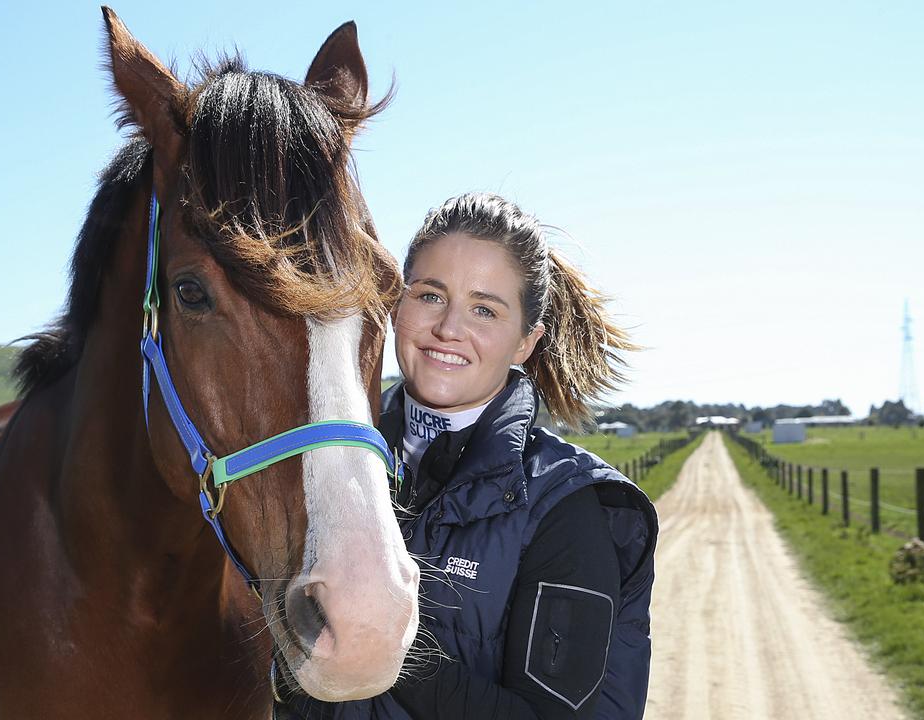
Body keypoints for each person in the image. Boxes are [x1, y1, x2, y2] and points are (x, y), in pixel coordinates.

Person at [279, 192, 658, 720]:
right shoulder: (317, 468)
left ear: (526, 342)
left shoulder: (566, 506)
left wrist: (370, 631)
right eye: (430, 295)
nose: (449, 328)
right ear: (395, 307)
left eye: (484, 309)